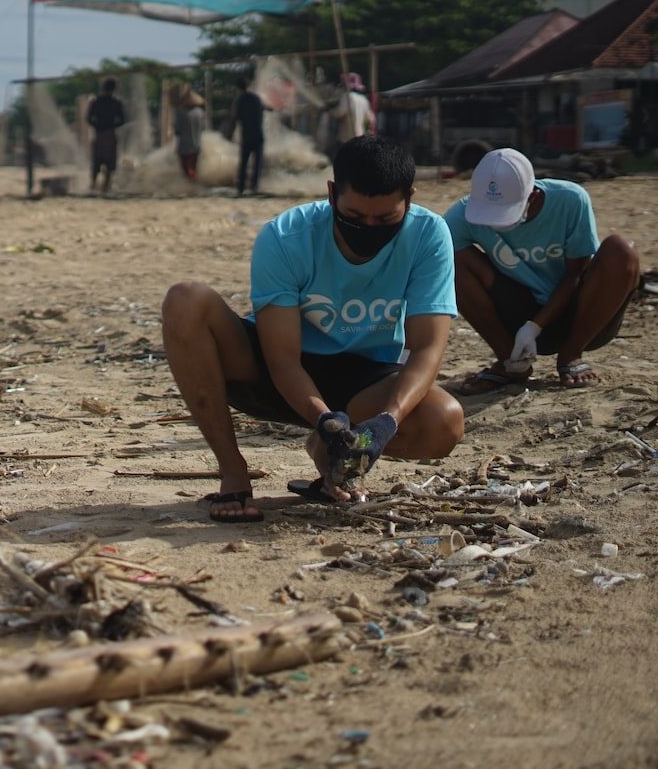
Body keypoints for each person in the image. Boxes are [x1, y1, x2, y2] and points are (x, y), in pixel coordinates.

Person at [161, 136, 464, 522]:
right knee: (186, 300)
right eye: (354, 217)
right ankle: (233, 471)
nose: (368, 229)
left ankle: (331, 456)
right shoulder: (286, 236)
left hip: (364, 380)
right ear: (333, 193)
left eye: (386, 219)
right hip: (276, 372)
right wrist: (323, 419)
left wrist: (387, 422)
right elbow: (283, 360)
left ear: (410, 198)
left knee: (445, 422)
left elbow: (426, 349)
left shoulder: (428, 234)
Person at [445, 148, 640, 392]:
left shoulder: (570, 199)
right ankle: (511, 362)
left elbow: (575, 274)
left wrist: (535, 326)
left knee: (621, 250)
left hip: (580, 316)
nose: (495, 224)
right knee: (448, 259)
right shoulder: (462, 215)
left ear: (533, 196)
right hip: (517, 310)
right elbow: (429, 262)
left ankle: (571, 355)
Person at [86, 78, 125, 194]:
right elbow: (122, 119)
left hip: (99, 134)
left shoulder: (96, 102)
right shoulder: (116, 102)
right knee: (109, 162)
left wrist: (97, 126)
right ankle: (105, 186)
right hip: (110, 133)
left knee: (96, 160)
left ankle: (93, 184)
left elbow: (88, 118)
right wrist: (112, 125)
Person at [234, 78, 268, 196]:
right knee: (256, 164)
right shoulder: (256, 99)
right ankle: (254, 187)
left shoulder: (240, 101)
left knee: (244, 164)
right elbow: (263, 111)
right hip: (258, 135)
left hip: (247, 136)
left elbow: (236, 119)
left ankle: (241, 188)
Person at [173, 88, 208, 183]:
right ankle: (193, 186)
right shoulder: (200, 113)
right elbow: (203, 128)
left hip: (183, 146)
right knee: (192, 168)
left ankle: (191, 186)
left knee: (186, 170)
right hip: (196, 145)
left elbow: (177, 130)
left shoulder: (179, 112)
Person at [334, 72, 376, 142]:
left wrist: (329, 110)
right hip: (360, 136)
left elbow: (339, 113)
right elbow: (371, 119)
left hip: (346, 137)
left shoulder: (347, 97)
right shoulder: (363, 100)